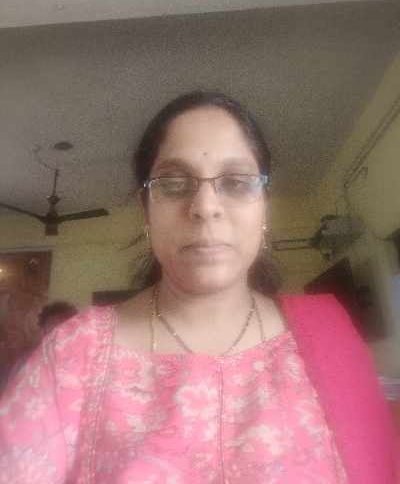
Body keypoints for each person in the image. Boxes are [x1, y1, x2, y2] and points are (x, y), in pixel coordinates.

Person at [0, 91, 397, 483]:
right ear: (146, 211)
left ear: (263, 205)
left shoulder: (329, 336)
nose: (206, 207)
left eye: (236, 182)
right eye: (173, 184)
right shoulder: (74, 354)